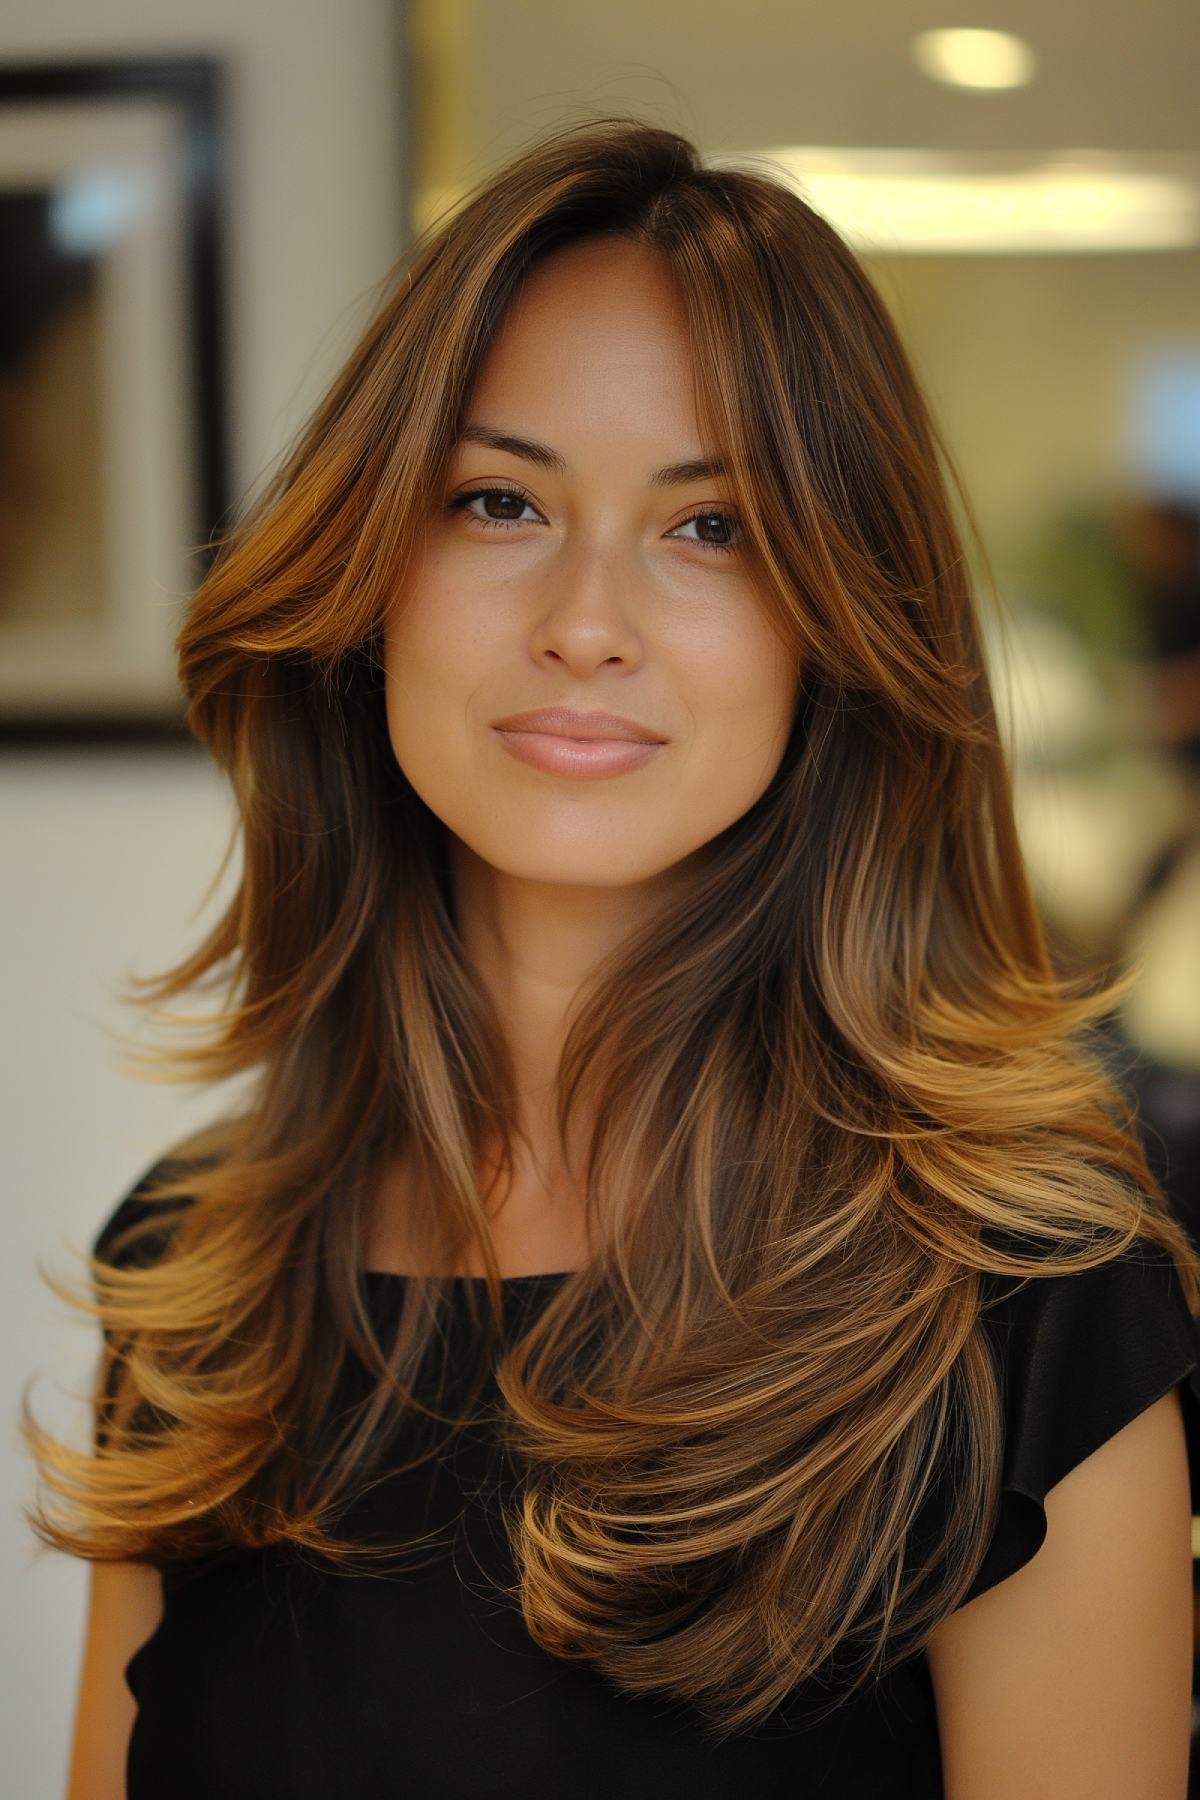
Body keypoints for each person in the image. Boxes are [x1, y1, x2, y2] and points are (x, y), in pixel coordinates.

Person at [23, 116, 1200, 1799]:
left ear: (838, 627)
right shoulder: (198, 1271)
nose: (587, 619)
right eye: (500, 502)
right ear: (374, 577)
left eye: (710, 528)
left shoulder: (1021, 1295)